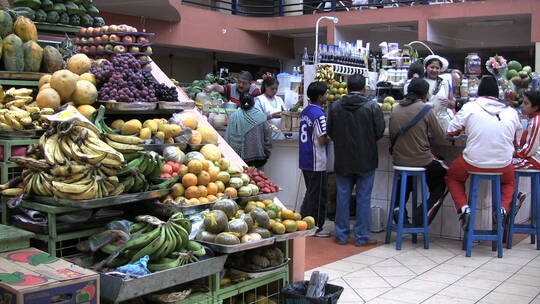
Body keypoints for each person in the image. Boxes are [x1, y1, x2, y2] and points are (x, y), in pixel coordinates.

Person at [446, 76, 522, 231]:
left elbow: (451, 130)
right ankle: (502, 210)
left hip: (472, 162)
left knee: (453, 176)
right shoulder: (511, 112)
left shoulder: (470, 107)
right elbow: (518, 142)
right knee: (509, 182)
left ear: (479, 92)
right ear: (498, 94)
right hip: (503, 165)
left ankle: (464, 208)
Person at [327, 74, 385, 246]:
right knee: (363, 198)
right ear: (364, 88)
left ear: (346, 87)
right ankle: (361, 237)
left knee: (342, 197)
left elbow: (330, 131)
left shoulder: (336, 106)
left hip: (343, 159)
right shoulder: (372, 106)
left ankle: (341, 235)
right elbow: (379, 131)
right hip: (366, 159)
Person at [389, 78, 447, 226]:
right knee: (445, 176)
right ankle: (423, 212)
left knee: (406, 177)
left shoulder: (395, 108)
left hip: (398, 160)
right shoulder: (426, 109)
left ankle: (398, 208)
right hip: (421, 160)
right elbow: (440, 138)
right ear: (425, 93)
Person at [299, 81, 330, 237]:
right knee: (318, 196)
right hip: (316, 159)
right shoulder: (319, 115)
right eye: (326, 93)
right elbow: (322, 138)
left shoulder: (305, 112)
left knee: (311, 192)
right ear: (319, 97)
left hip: (304, 159)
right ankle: (317, 226)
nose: (327, 96)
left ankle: (305, 220)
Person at [225, 95, 272, 169]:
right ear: (253, 103)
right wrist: (266, 154)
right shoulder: (262, 117)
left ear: (240, 103)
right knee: (257, 179)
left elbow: (227, 139)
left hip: (237, 161)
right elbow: (268, 140)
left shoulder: (234, 116)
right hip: (257, 161)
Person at [514, 90, 540, 170]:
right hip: (533, 157)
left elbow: (530, 149)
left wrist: (515, 154)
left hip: (535, 160)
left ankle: (509, 183)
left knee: (506, 166)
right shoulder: (533, 119)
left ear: (535, 107)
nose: (522, 106)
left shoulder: (536, 122)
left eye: (526, 103)